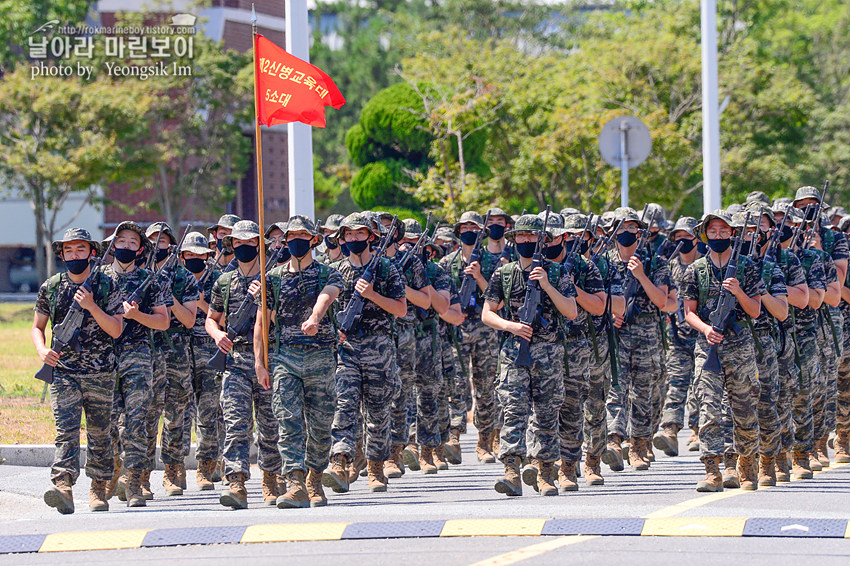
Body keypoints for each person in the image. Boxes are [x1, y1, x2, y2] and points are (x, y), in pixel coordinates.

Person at [482, 214, 578, 496]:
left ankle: (546, 473)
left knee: (547, 414)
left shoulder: (558, 273)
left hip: (548, 353)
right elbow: (487, 313)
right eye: (521, 237)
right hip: (514, 353)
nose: (526, 241)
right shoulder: (505, 273)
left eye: (532, 237)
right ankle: (511, 472)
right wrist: (510, 326)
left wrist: (547, 284)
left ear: (542, 240)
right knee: (513, 411)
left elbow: (571, 312)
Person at [255, 216, 343, 508]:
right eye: (291, 236)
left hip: (320, 356)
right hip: (285, 358)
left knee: (319, 424)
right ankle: (295, 482)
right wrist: (260, 362)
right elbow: (261, 324)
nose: (296, 240)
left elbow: (327, 296)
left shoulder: (328, 274)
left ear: (314, 240)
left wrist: (315, 318)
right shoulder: (273, 278)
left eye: (303, 235)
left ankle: (315, 478)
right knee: (288, 420)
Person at [33, 228, 124, 514]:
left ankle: (98, 488)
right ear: (62, 254)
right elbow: (37, 327)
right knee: (66, 432)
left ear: (91, 253)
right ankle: (63, 486)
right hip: (63, 373)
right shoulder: (51, 286)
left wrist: (91, 306)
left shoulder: (107, 285)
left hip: (100, 373)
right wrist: (42, 350)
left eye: (80, 250)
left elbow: (116, 329)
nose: (74, 255)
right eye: (69, 250)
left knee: (99, 433)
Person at [323, 213, 407, 494]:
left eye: (360, 234)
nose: (354, 239)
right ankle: (340, 460)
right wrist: (335, 331)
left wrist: (372, 295)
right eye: (348, 235)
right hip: (346, 350)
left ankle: (375, 467)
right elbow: (328, 310)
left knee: (378, 412)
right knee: (344, 405)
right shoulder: (337, 271)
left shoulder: (386, 268)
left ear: (371, 237)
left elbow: (401, 309)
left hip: (379, 347)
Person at [682, 210, 764, 492]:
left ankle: (743, 464)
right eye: (713, 231)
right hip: (708, 347)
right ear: (705, 235)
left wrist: (738, 292)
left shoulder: (746, 267)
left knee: (743, 409)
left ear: (732, 233)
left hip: (739, 348)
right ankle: (712, 469)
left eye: (723, 231)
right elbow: (688, 313)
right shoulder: (696, 270)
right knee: (709, 409)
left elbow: (755, 310)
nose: (718, 236)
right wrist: (706, 329)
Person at [206, 220, 282, 509]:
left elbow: (278, 322)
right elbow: (210, 319)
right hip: (235, 361)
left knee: (270, 424)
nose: (245, 247)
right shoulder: (224, 282)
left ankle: (272, 477)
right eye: (239, 243)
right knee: (236, 423)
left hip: (267, 359)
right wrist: (218, 336)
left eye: (252, 243)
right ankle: (236, 480)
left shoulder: (271, 279)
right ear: (232, 246)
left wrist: (264, 300)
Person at [103, 221, 170, 507]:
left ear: (140, 249)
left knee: (135, 420)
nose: (127, 246)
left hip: (138, 356)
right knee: (108, 423)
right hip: (102, 357)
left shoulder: (149, 280)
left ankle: (133, 481)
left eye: (133, 242)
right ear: (113, 245)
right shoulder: (98, 278)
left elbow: (164, 321)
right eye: (122, 241)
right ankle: (114, 468)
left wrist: (135, 316)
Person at [605, 207, 671, 471]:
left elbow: (662, 301)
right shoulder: (604, 262)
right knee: (615, 389)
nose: (626, 233)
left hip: (646, 336)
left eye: (632, 228)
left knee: (643, 392)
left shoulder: (655, 263)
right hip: (614, 335)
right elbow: (597, 298)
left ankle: (639, 445)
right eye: (621, 228)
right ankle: (613, 440)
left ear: (640, 232)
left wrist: (641, 275)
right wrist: (611, 315)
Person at [439, 211, 501, 462]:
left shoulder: (493, 261)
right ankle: (453, 435)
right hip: (456, 331)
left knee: (486, 387)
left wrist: (478, 277)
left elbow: (498, 297)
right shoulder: (447, 264)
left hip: (486, 332)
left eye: (474, 228)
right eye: (464, 228)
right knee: (455, 384)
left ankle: (484, 441)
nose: (469, 232)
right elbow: (440, 298)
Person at [145, 223, 199, 497]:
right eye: (152, 240)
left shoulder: (184, 277)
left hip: (177, 353)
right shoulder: (137, 274)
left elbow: (190, 320)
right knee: (144, 415)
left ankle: (173, 469)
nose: (157, 245)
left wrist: (170, 299)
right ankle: (140, 475)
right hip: (145, 352)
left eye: (162, 240)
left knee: (177, 415)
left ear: (171, 245)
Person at [178, 231, 223, 490]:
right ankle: (177, 467)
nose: (195, 259)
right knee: (180, 413)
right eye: (189, 255)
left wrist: (202, 303)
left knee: (208, 413)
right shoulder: (175, 279)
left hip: (208, 350)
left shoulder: (217, 279)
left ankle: (206, 466)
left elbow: (223, 318)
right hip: (180, 351)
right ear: (182, 256)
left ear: (207, 256)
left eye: (200, 255)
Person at [654, 217, 701, 457]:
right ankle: (670, 430)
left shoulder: (704, 265)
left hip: (703, 333)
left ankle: (697, 430)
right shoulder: (669, 266)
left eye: (687, 237)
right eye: (678, 237)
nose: (682, 241)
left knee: (699, 384)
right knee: (676, 381)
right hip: (676, 334)